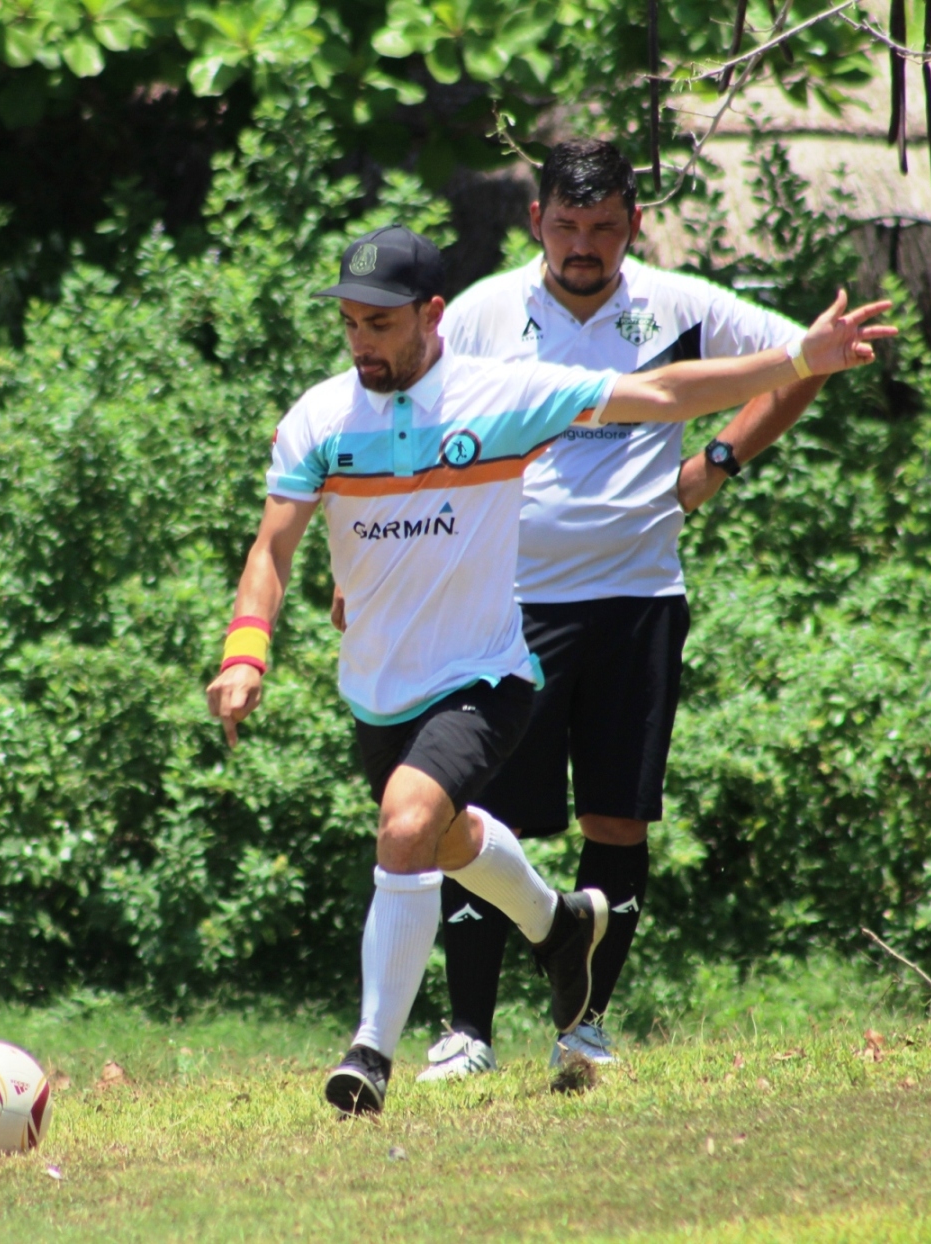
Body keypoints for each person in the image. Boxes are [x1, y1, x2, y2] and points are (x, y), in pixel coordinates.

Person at [206, 225, 889, 1115]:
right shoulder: (319, 420)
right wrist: (245, 649)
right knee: (447, 843)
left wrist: (795, 355)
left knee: (406, 824)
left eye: (379, 324)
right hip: (377, 692)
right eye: (347, 324)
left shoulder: (501, 397)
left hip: (486, 677)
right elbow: (272, 546)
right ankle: (560, 925)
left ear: (431, 315)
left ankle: (369, 1056)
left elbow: (656, 390)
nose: (360, 342)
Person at [400, 139, 830, 1081]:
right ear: (535, 223)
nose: (582, 245)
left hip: (637, 596)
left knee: (617, 822)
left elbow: (800, 362)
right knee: (465, 815)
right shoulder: (479, 315)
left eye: (603, 227)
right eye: (565, 225)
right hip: (506, 603)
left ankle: (581, 1030)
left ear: (634, 223)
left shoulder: (679, 307)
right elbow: (413, 429)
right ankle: (467, 1031)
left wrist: (712, 468)